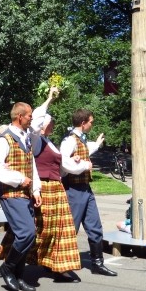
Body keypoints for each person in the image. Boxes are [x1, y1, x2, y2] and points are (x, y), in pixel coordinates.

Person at [27, 87, 81, 282]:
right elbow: (36, 119)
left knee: (60, 229)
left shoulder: (48, 141)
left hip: (56, 188)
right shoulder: (36, 140)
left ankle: (58, 265)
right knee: (43, 228)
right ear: (43, 125)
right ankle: (24, 259)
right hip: (45, 187)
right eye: (51, 122)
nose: (54, 125)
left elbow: (60, 165)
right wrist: (49, 98)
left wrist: (74, 162)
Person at [0, 102, 42, 291]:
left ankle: (19, 275)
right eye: (29, 115)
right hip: (11, 192)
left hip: (25, 193)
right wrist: (20, 179)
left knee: (24, 234)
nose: (31, 118)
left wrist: (36, 189)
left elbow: (32, 165)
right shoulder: (3, 140)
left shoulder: (26, 138)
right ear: (19, 117)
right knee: (26, 232)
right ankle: (8, 267)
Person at [59, 109, 117, 276]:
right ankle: (62, 266)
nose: (92, 124)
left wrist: (97, 144)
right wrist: (84, 165)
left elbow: (85, 150)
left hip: (85, 188)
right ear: (83, 123)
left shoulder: (80, 139)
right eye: (91, 122)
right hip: (74, 190)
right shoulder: (69, 140)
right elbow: (64, 164)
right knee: (71, 228)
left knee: (95, 226)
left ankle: (97, 263)